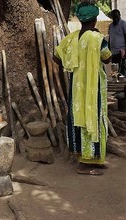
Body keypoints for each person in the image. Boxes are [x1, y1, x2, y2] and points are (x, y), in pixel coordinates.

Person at [53, 2, 111, 175]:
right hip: (94, 88)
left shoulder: (71, 38)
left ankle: (91, 159)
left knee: (80, 118)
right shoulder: (97, 38)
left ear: (80, 19)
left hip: (77, 89)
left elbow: (56, 57)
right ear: (94, 20)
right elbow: (107, 59)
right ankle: (88, 163)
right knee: (94, 119)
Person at [108, 9, 126, 76]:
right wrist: (108, 50)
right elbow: (110, 38)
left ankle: (122, 85)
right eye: (113, 17)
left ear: (119, 16)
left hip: (121, 52)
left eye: (116, 17)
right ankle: (116, 85)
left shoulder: (123, 24)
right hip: (113, 52)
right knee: (114, 71)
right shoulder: (110, 26)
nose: (115, 19)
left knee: (121, 71)